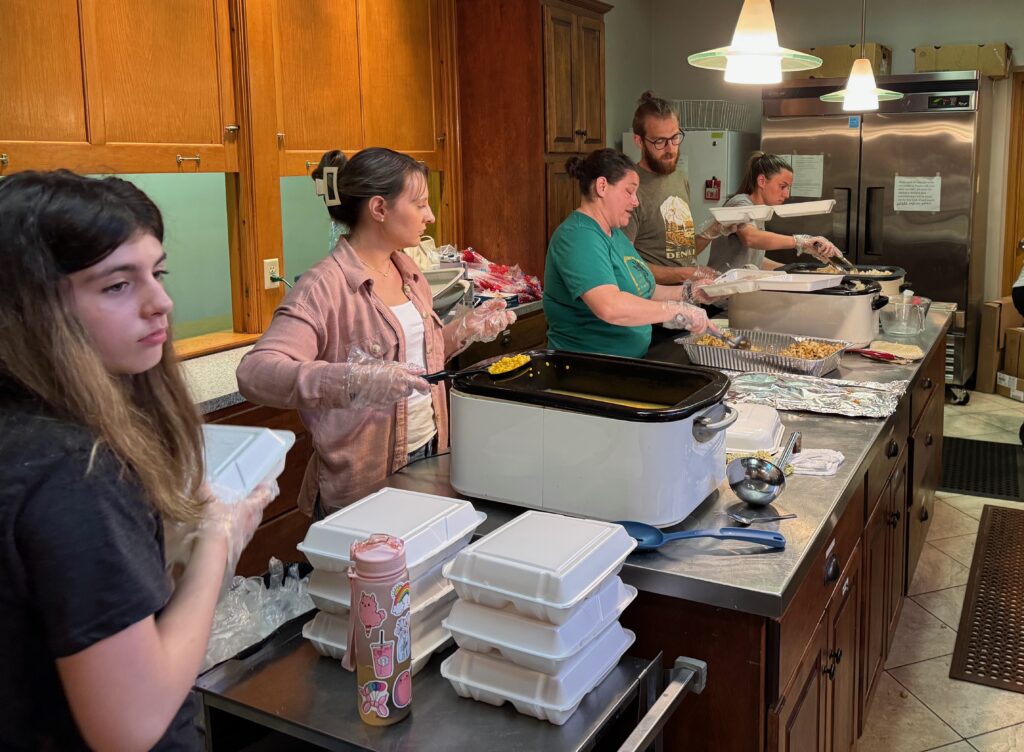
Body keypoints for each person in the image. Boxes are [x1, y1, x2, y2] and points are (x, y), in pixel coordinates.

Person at [0, 170, 277, 751]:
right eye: (116, 285)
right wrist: (219, 539)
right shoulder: (74, 469)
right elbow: (131, 723)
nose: (162, 303)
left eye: (158, 272)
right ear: (29, 308)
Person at [236, 148, 514, 518]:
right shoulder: (324, 286)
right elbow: (255, 373)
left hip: (429, 454)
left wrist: (462, 330)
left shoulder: (410, 274)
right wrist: (352, 379)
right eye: (420, 205)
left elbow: (411, 365)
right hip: (362, 484)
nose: (430, 216)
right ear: (380, 209)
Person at [544, 148, 714, 359]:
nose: (636, 201)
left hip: (626, 362)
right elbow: (610, 306)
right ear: (602, 186)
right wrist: (676, 310)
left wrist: (690, 293)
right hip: (587, 369)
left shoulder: (616, 235)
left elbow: (645, 289)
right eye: (629, 191)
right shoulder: (578, 237)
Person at [623, 91, 735, 284]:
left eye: (675, 137)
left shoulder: (679, 178)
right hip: (653, 304)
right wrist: (687, 274)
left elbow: (681, 252)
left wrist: (712, 231)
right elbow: (626, 264)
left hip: (687, 297)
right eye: (660, 141)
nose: (670, 148)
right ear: (639, 141)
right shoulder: (629, 188)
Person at [707, 152, 842, 272]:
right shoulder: (740, 203)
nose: (787, 194)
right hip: (720, 296)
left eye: (788, 188)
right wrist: (800, 241)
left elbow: (754, 261)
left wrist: (794, 269)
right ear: (762, 181)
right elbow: (751, 238)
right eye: (782, 186)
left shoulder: (760, 211)